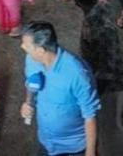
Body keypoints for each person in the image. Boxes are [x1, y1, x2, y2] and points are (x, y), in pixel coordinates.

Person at [69, 0, 123, 156]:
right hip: (116, 76)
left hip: (108, 83)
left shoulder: (93, 26)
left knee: (109, 127)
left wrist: (95, 91)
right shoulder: (102, 6)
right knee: (114, 121)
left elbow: (106, 65)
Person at [20, 21, 100, 156]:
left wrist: (90, 152)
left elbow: (90, 115)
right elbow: (31, 81)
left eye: (26, 46)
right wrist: (28, 102)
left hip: (74, 147)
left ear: (40, 51)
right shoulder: (31, 59)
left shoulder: (78, 74)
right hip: (46, 141)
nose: (22, 47)